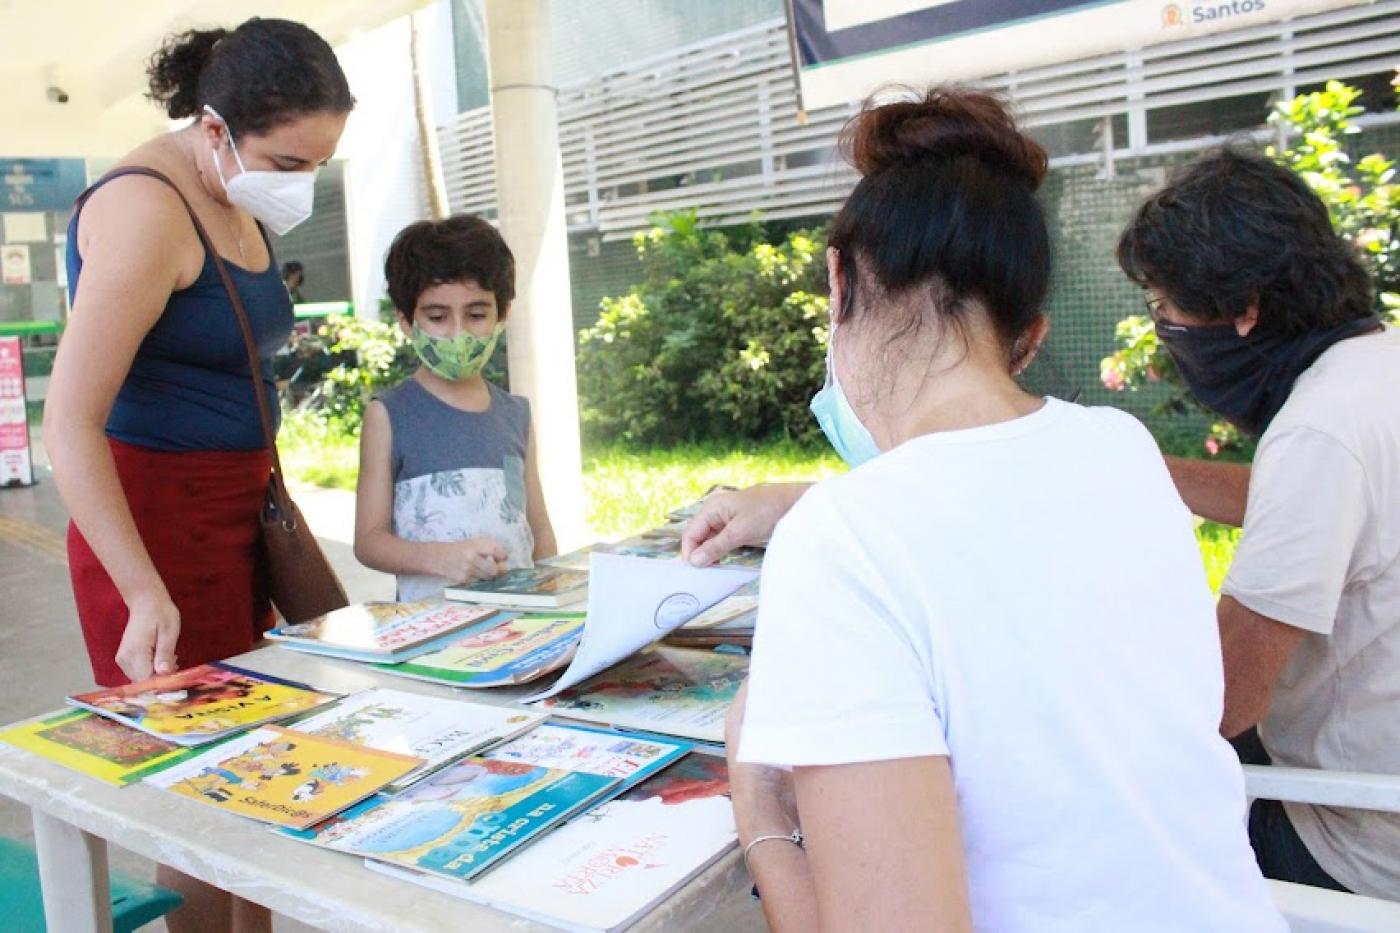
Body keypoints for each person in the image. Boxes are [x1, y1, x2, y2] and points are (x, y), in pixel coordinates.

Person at [710, 88, 1284, 930]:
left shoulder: (844, 541)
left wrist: (760, 808)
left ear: (839, 282)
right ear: (1028, 331)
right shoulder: (1119, 450)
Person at [43, 18, 352, 932]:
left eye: (317, 165)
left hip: (237, 517)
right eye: (288, 161)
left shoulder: (236, 188)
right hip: (153, 534)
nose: (301, 183)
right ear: (216, 129)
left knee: (259, 782)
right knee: (202, 796)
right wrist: (141, 590)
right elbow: (69, 420)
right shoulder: (145, 208)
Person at [1117, 147, 1396, 899]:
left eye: (1167, 308)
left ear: (1245, 308)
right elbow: (1295, 500)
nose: (1164, 327)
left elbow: (1224, 697)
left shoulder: (1319, 431)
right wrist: (1136, 469)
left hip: (1349, 844)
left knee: (1098, 817)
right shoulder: (1375, 372)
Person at [354, 215, 556, 600]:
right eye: (437, 317)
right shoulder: (388, 415)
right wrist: (441, 559)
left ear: (503, 315)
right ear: (407, 321)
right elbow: (369, 540)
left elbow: (538, 528)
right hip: (432, 632)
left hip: (520, 626)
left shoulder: (516, 414)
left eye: (477, 314)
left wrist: (553, 594)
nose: (458, 332)